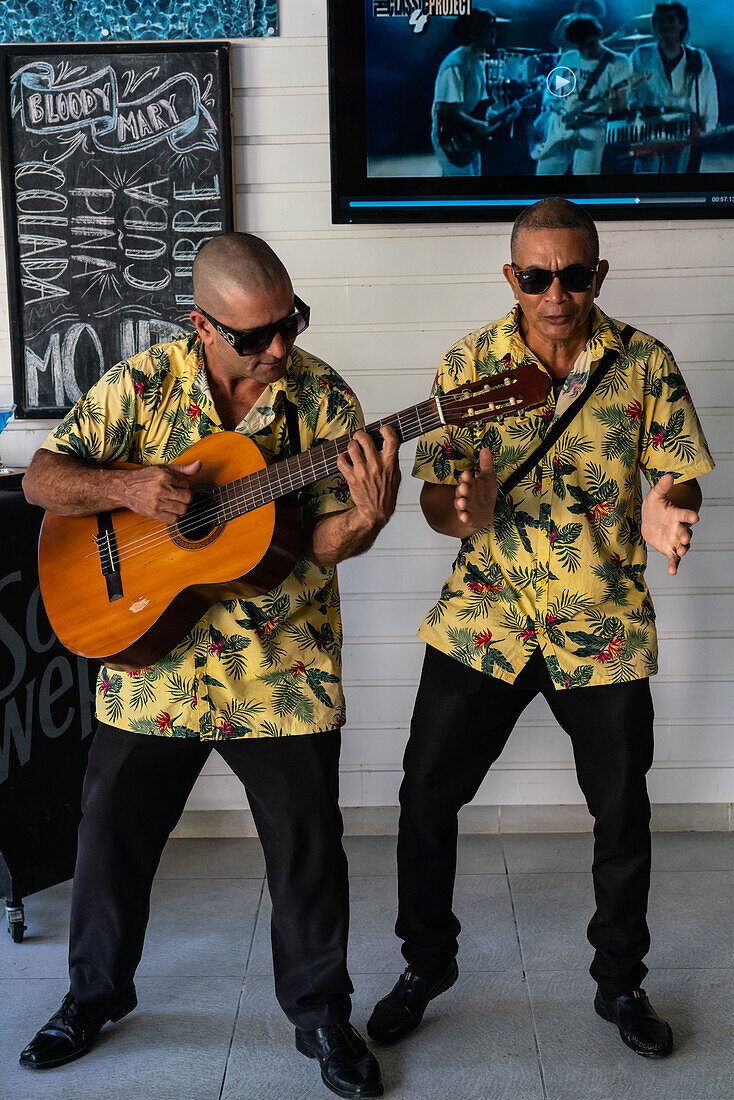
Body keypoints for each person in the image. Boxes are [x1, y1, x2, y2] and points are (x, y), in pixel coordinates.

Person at [19, 232, 400, 1099]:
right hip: (152, 661)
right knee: (110, 834)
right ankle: (92, 998)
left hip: (281, 664)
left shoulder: (323, 400)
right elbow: (44, 478)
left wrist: (369, 520)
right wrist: (128, 488)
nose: (279, 350)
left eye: (290, 324)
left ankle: (320, 1017)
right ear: (201, 323)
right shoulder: (143, 386)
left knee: (307, 846)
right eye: (255, 336)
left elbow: (328, 541)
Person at [367, 198, 713, 1059]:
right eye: (535, 276)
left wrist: (673, 509)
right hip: (488, 615)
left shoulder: (645, 364)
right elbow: (433, 497)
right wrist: (461, 509)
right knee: (424, 794)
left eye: (573, 274)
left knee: (621, 812)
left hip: (600, 621)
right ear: (511, 278)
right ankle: (425, 963)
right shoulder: (469, 363)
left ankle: (620, 984)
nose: (555, 293)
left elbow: (680, 476)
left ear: (599, 274)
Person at [534, 15, 630, 175]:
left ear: (599, 36)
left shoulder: (618, 62)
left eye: (590, 45)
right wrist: (551, 105)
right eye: (580, 47)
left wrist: (601, 109)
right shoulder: (568, 58)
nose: (586, 51)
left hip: (591, 128)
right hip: (558, 127)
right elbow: (556, 90)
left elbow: (620, 104)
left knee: (585, 180)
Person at [431, 7, 521, 177]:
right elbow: (446, 111)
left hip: (467, 136)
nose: (494, 33)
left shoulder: (478, 61)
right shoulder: (457, 63)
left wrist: (505, 113)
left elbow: (480, 106)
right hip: (451, 137)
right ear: (474, 33)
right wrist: (478, 125)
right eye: (489, 29)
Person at [630, 2, 718, 173]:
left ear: (682, 24)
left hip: (684, 127)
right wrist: (635, 113)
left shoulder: (697, 57)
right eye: (660, 21)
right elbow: (630, 91)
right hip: (649, 126)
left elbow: (709, 94)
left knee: (677, 174)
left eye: (671, 20)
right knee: (646, 175)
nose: (665, 26)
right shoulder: (641, 55)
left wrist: (707, 127)